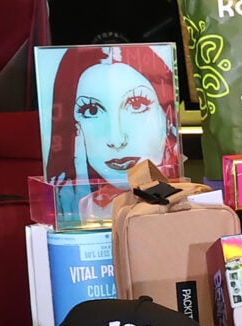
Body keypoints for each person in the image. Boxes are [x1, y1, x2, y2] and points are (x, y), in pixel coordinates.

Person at [43, 45, 180, 213]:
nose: (117, 140)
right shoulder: (72, 204)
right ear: (72, 128)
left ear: (167, 117)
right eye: (91, 110)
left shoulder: (189, 201)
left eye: (137, 104)